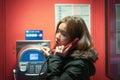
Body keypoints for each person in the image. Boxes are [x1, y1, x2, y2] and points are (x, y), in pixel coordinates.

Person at [41, 16, 98, 80]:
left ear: (75, 40)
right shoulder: (64, 55)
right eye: (58, 31)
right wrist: (50, 57)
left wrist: (56, 58)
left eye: (63, 34)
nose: (57, 36)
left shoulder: (79, 65)